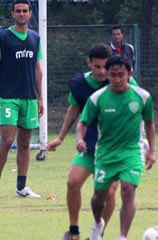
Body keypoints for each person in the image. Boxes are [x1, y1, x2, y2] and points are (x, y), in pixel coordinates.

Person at [77, 55, 156, 240]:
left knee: (128, 190)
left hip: (132, 151)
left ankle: (122, 237)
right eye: (113, 75)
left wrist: (152, 150)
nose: (117, 79)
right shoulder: (98, 98)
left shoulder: (142, 97)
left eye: (121, 75)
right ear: (107, 75)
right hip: (105, 153)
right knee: (99, 198)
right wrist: (79, 139)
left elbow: (150, 123)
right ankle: (98, 223)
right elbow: (83, 122)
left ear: (130, 73)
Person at [46, 43, 118, 240]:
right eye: (97, 67)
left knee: (109, 193)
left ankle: (98, 236)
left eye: (106, 66)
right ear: (89, 63)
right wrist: (61, 137)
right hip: (89, 146)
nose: (103, 72)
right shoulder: (79, 85)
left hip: (114, 149)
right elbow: (73, 110)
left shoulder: (121, 81)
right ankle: (74, 232)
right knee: (72, 182)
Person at [0, 0, 44, 199]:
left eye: (25, 11)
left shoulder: (35, 38)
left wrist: (41, 98)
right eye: (18, 11)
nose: (21, 14)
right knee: (8, 140)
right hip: (9, 97)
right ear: (13, 14)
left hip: (29, 97)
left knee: (25, 142)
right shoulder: (3, 37)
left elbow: (37, 69)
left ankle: (21, 187)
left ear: (30, 14)